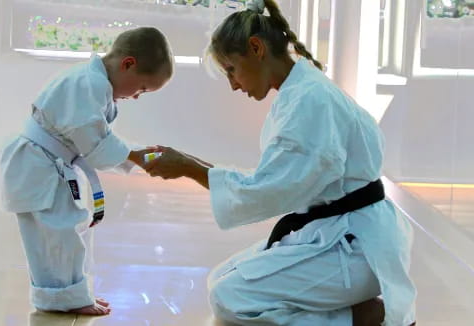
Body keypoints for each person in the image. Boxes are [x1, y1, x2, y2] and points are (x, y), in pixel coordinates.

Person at [142, 0, 417, 325]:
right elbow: (274, 180)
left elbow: (271, 190)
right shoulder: (301, 92)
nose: (233, 84)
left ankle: (362, 317)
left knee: (230, 297)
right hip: (339, 234)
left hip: (358, 251)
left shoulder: (309, 100)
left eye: (231, 69)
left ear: (256, 48)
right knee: (222, 278)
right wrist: (188, 163)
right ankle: (347, 312)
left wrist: (188, 168)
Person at [0, 27, 173, 315]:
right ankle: (64, 297)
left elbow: (95, 138)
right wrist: (135, 156)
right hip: (37, 165)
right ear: (128, 64)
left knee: (65, 230)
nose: (138, 96)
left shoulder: (92, 82)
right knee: (58, 234)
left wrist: (136, 155)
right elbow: (93, 139)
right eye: (141, 88)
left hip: (45, 165)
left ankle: (69, 293)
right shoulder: (89, 83)